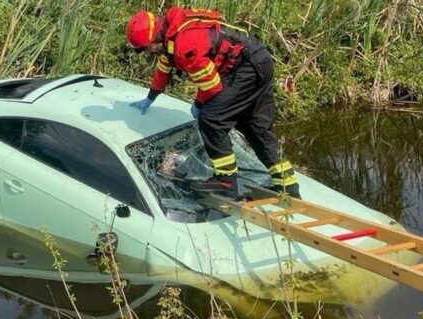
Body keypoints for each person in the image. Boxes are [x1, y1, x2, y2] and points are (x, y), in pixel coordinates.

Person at [125, 7, 300, 199]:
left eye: (145, 48)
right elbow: (163, 70)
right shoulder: (170, 37)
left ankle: (225, 181)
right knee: (254, 128)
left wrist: (199, 106)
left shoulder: (185, 43)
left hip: (246, 67)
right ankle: (288, 186)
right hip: (258, 60)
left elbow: (211, 86)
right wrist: (150, 97)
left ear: (154, 38)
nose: (146, 53)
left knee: (211, 120)